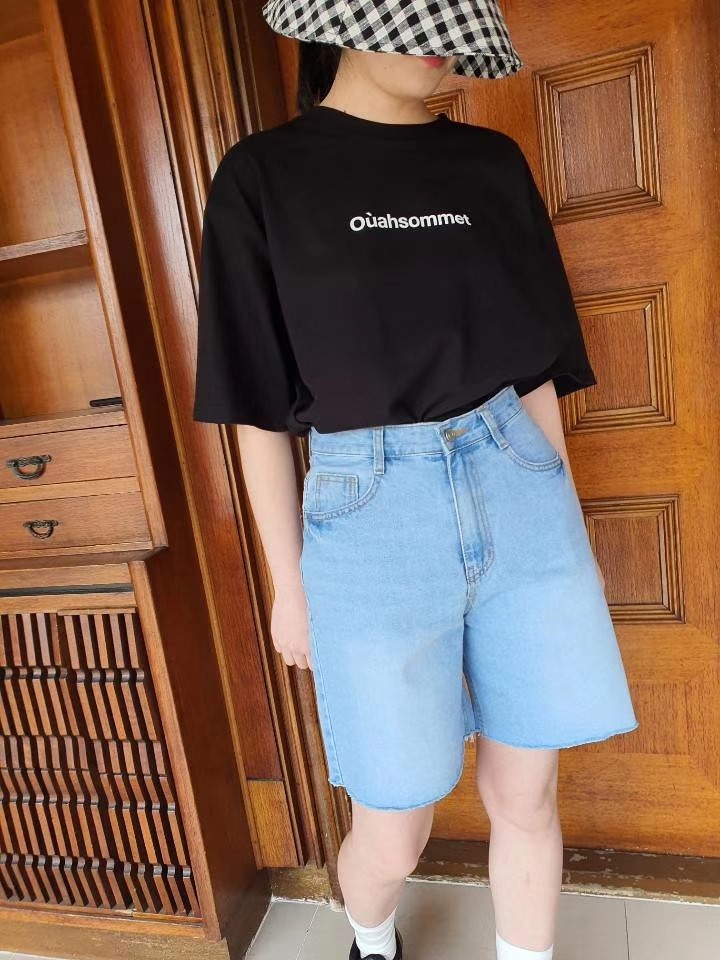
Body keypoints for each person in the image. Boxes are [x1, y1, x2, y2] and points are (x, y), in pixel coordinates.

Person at [192, 3, 639, 959]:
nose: (437, 41)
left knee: (526, 792)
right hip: (368, 506)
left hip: (517, 483)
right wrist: (288, 586)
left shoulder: (491, 165)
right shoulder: (263, 176)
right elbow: (257, 409)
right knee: (394, 822)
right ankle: (371, 942)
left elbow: (535, 372)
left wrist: (565, 530)